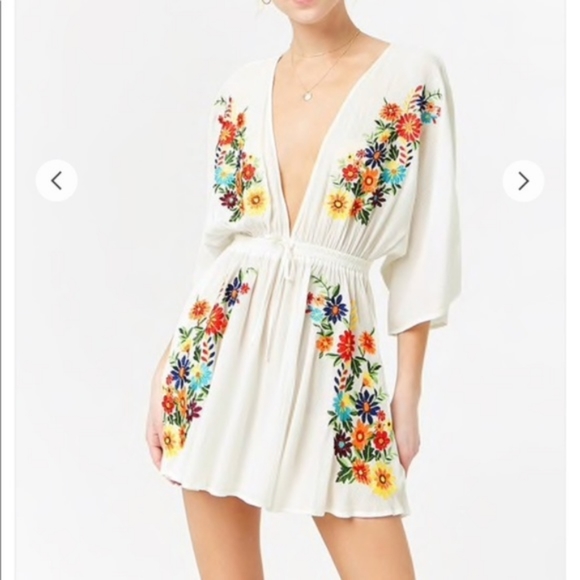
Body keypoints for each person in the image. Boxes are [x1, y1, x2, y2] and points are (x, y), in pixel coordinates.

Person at [146, 0, 461, 577]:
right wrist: (169, 364)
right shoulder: (240, 90)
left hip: (337, 355)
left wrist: (407, 393)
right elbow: (217, 244)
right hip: (216, 357)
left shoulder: (411, 75)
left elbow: (425, 248)